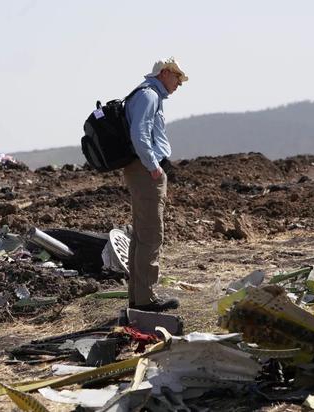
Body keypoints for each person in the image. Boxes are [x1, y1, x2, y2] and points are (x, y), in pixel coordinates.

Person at [123, 57, 188, 312]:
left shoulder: (144, 94)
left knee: (141, 235)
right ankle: (146, 301)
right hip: (145, 170)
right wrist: (154, 166)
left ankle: (137, 298)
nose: (179, 83)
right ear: (164, 73)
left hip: (139, 168)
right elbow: (139, 133)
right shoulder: (149, 96)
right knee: (150, 234)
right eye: (177, 77)